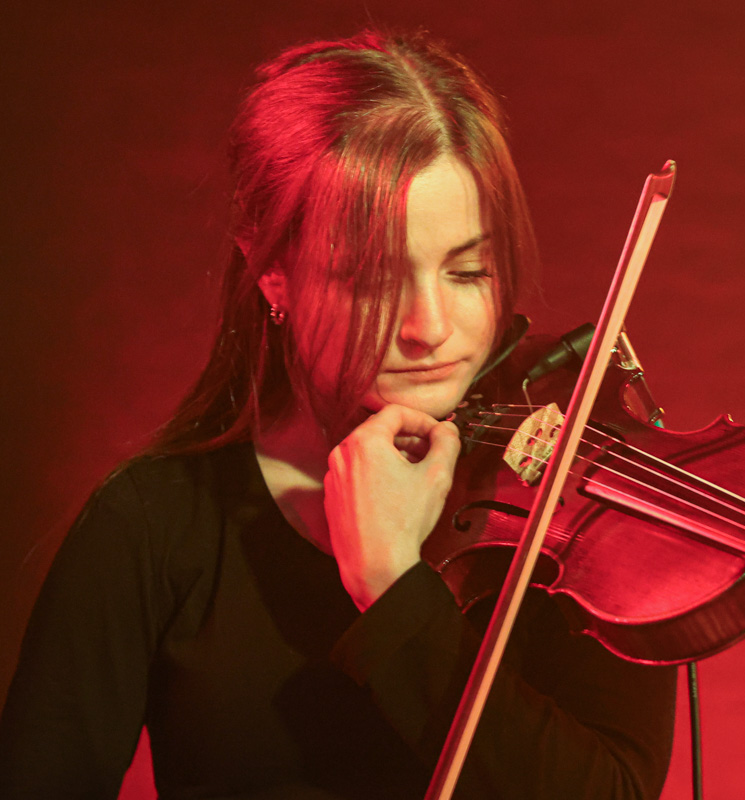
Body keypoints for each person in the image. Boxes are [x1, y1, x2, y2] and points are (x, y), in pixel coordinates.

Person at [0, 30, 676, 799]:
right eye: (373, 279)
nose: (430, 328)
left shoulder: (577, 517)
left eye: (468, 271)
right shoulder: (151, 527)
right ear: (273, 274)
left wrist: (394, 589)